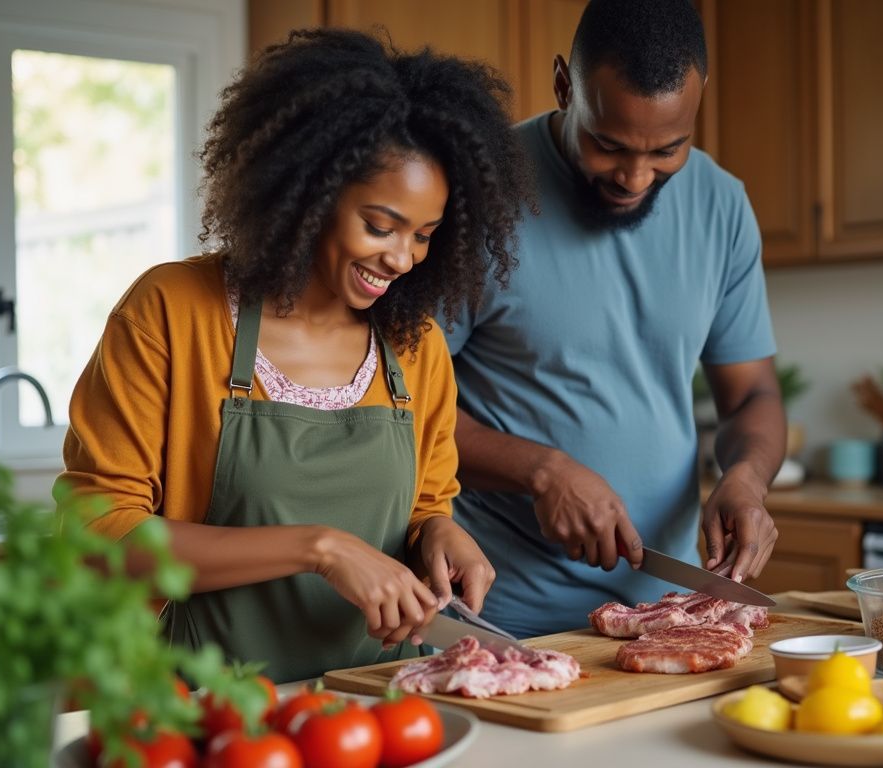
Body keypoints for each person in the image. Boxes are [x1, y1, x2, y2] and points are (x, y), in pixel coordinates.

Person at [58, 29, 531, 683]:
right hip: (203, 709)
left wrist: (438, 534)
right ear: (310, 192)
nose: (402, 259)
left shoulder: (414, 345)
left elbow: (427, 500)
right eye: (380, 225)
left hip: (377, 706)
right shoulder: (171, 310)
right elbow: (100, 537)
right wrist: (320, 548)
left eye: (424, 235)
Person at [444, 0, 785, 637]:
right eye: (608, 144)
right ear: (563, 86)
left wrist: (746, 478)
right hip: (502, 618)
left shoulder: (723, 205)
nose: (634, 176)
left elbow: (753, 396)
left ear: (700, 96)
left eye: (668, 149)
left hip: (672, 614)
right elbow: (397, 401)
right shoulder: (476, 194)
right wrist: (540, 471)